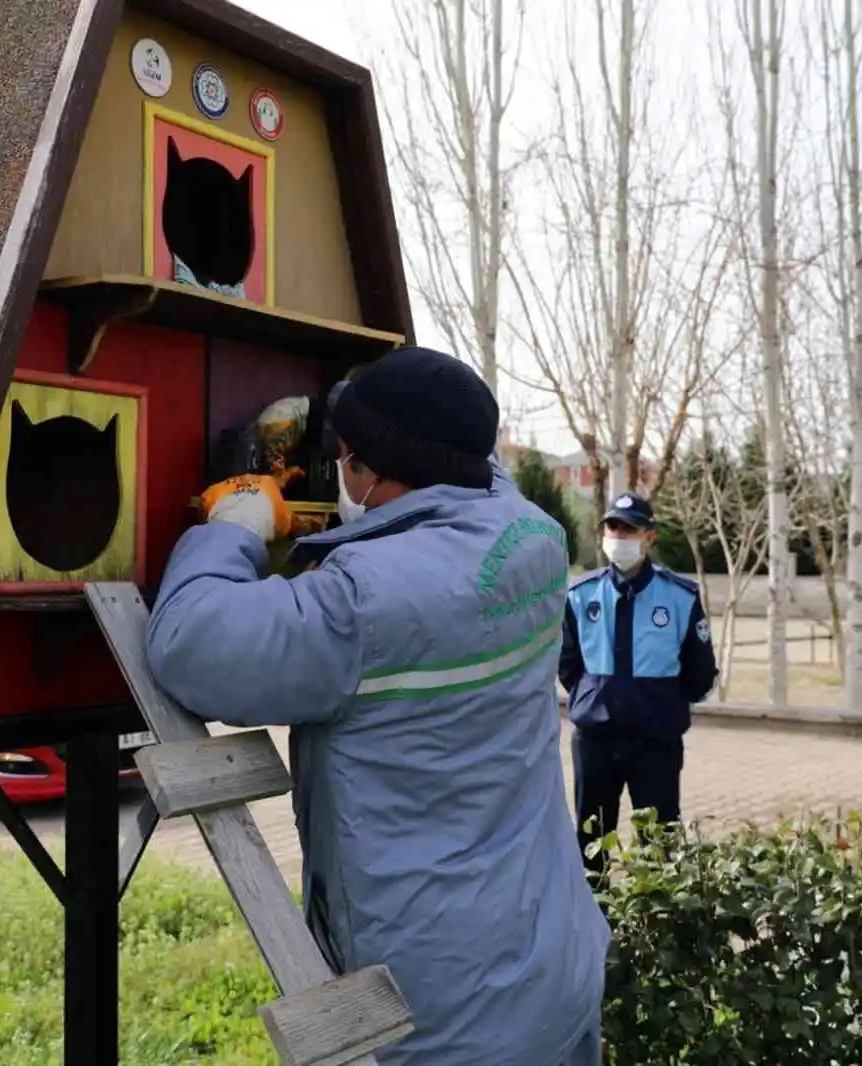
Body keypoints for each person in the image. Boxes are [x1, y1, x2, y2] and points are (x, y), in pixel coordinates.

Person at [144, 347, 607, 1066]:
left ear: (366, 471)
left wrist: (232, 529)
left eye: (346, 459)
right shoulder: (533, 538)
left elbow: (188, 642)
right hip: (556, 965)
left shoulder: (360, 601)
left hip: (441, 1017)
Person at [559, 493, 718, 871]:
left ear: (650, 537)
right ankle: (595, 926)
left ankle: (655, 926)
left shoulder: (679, 596)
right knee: (590, 843)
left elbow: (700, 670)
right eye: (612, 527)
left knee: (659, 846)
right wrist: (594, 697)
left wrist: (661, 703)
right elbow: (568, 664)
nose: (619, 535)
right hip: (596, 740)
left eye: (629, 529)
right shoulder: (582, 595)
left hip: (654, 743)